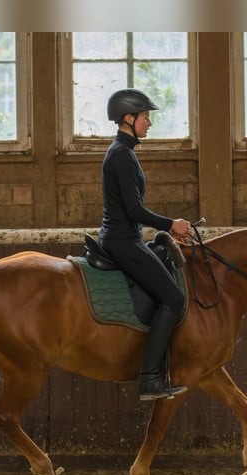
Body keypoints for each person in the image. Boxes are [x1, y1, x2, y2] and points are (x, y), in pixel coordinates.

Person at [98, 88, 191, 401]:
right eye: (146, 118)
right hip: (122, 242)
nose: (149, 124)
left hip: (128, 237)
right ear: (129, 118)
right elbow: (134, 210)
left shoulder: (125, 152)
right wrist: (171, 224)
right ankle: (150, 378)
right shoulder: (121, 155)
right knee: (175, 300)